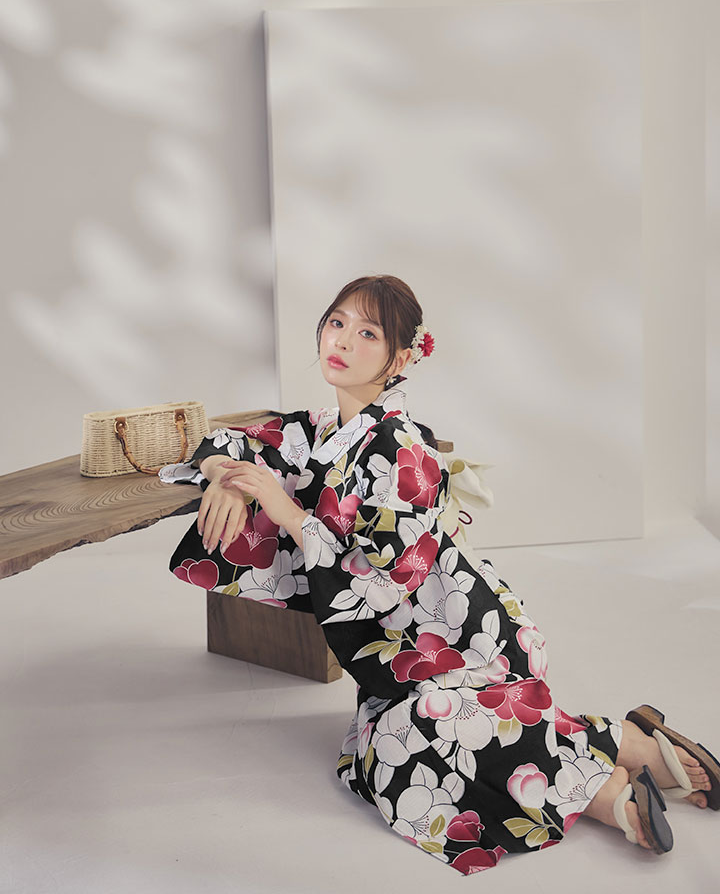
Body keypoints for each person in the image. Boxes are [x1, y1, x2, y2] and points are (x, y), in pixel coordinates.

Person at [159, 274, 718, 875]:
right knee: (390, 759)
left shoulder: (405, 449)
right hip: (402, 651)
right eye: (337, 322)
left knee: (434, 727)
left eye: (367, 333)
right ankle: (622, 755)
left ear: (401, 358)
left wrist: (282, 506)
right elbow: (232, 440)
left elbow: (381, 582)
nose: (342, 340)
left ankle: (613, 777)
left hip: (459, 635)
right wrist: (225, 476)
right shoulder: (317, 430)